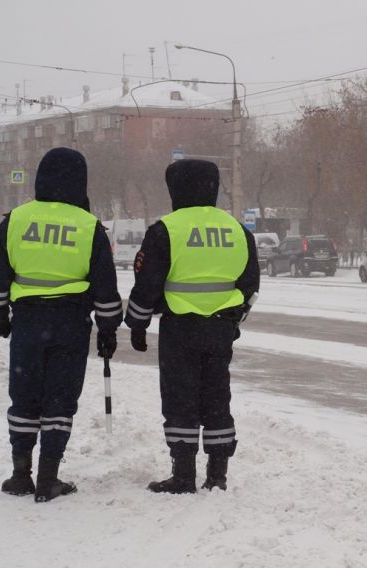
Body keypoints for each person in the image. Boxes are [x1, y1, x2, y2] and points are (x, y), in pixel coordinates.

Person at [0, 147, 123, 502]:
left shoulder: (15, 220)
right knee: (60, 399)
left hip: (28, 322)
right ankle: (49, 477)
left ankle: (20, 474)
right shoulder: (89, 226)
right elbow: (105, 288)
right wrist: (108, 329)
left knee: (24, 397)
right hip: (71, 324)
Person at [126, 159, 259, 494]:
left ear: (176, 189)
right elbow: (250, 284)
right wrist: (233, 317)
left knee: (180, 398)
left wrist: (138, 325)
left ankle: (183, 474)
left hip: (180, 329)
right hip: (220, 330)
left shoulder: (165, 230)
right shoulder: (238, 231)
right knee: (217, 397)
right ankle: (218, 475)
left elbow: (147, 286)